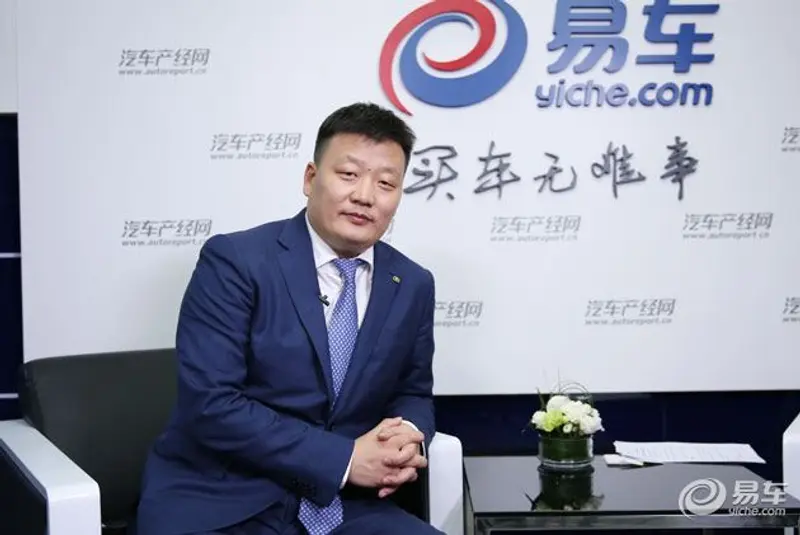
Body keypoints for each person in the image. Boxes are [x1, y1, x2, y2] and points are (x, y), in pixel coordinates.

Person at [136, 102, 442, 535]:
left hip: (344, 507)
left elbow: (413, 391)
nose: (365, 196)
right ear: (310, 179)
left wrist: (407, 434)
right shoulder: (236, 261)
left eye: (386, 183)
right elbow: (211, 403)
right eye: (348, 174)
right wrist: (346, 459)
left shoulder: (412, 283)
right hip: (227, 500)